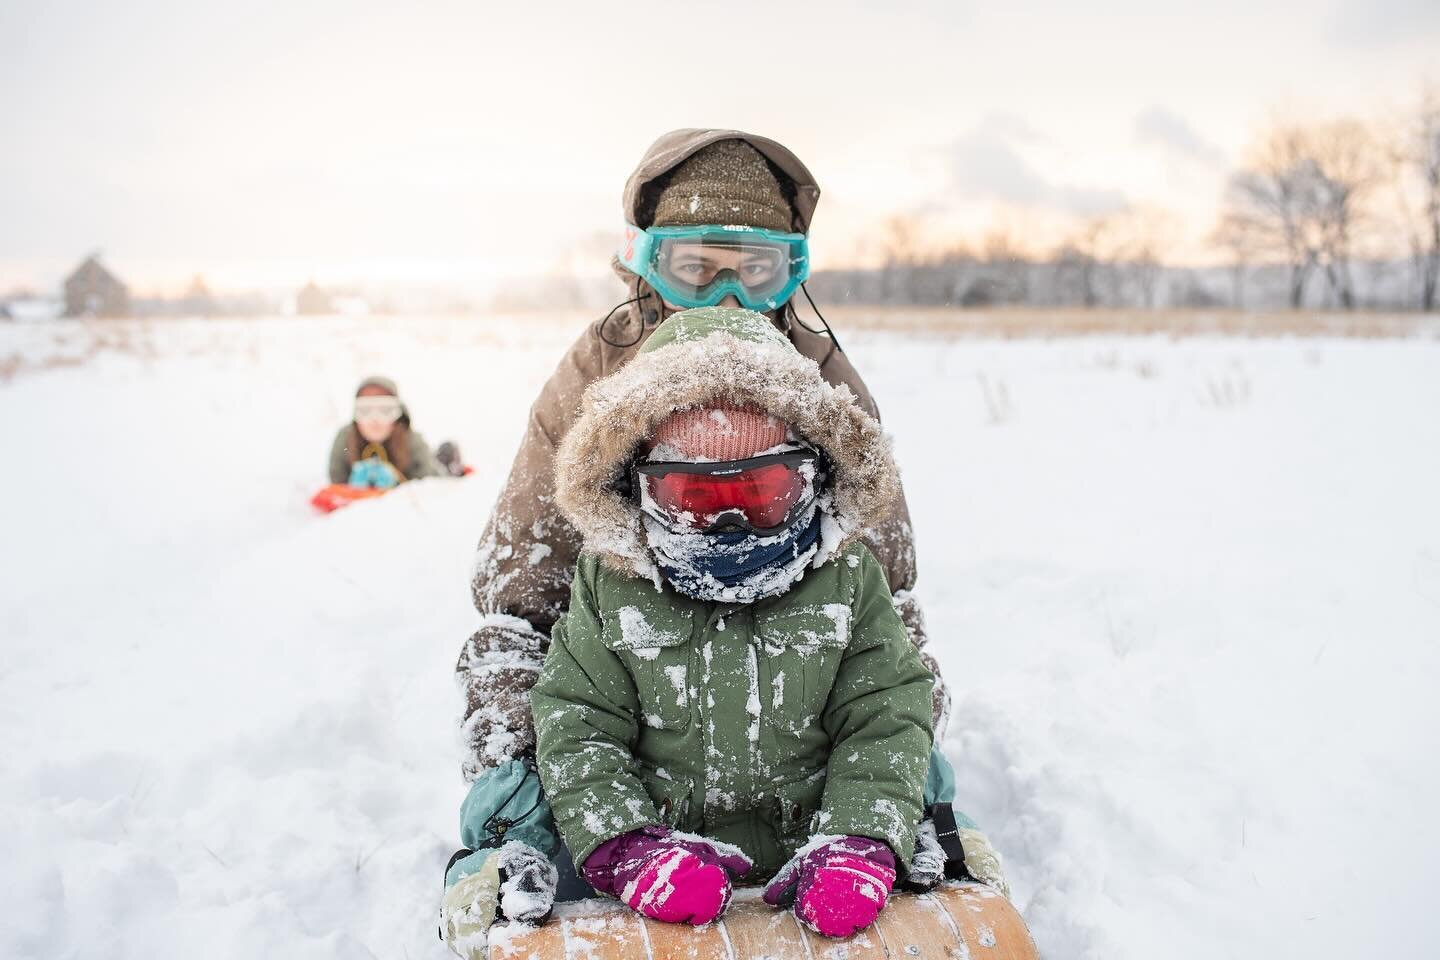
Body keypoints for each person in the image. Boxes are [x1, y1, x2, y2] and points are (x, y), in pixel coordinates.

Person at [441, 132, 1007, 950]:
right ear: (647, 264)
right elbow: (518, 597)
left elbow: (887, 595)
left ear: (793, 272)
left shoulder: (813, 375)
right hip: (625, 640)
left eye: (758, 269)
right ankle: (520, 844)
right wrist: (542, 791)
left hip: (800, 657)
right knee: (535, 716)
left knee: (895, 712)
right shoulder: (595, 377)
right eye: (696, 268)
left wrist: (890, 798)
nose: (727, 295)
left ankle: (913, 831)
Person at [326, 376, 463, 487]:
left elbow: (430, 485)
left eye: (385, 410)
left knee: (444, 469)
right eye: (365, 410)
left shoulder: (412, 441)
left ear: (397, 413)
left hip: (434, 472)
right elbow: (337, 481)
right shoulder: (344, 438)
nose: (375, 420)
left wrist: (397, 485)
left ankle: (447, 458)